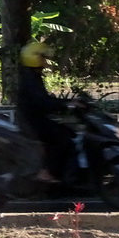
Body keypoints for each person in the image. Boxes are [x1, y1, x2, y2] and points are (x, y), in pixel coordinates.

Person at [16, 36, 76, 184]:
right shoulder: (30, 79)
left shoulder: (33, 76)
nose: (46, 61)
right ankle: (47, 172)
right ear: (34, 58)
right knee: (63, 138)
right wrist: (65, 105)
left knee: (69, 134)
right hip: (32, 121)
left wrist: (68, 102)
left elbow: (45, 100)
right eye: (43, 58)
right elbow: (42, 102)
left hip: (35, 118)